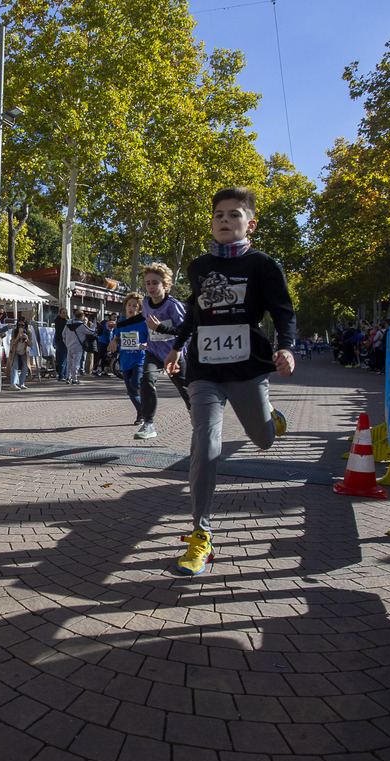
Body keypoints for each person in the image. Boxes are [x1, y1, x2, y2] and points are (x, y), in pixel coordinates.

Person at [165, 186, 296, 576]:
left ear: (249, 223)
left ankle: (270, 415)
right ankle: (201, 534)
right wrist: (177, 347)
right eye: (219, 215)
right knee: (205, 441)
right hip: (205, 370)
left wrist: (287, 347)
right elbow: (194, 313)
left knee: (263, 439)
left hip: (248, 367)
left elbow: (283, 310)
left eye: (233, 215)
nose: (225, 221)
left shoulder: (263, 265)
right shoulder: (198, 266)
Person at [115, 263, 190, 439]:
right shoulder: (146, 303)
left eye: (155, 283)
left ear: (165, 285)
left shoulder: (173, 305)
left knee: (186, 390)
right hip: (154, 352)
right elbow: (142, 317)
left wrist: (161, 328)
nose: (150, 287)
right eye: (148, 283)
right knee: (146, 380)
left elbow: (185, 330)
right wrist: (119, 324)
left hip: (174, 353)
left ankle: (197, 416)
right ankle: (148, 423)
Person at [110, 292, 148, 424]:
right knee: (131, 391)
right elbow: (116, 337)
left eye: (135, 306)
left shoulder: (143, 322)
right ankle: (140, 414)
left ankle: (147, 401)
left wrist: (145, 344)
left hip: (139, 359)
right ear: (125, 306)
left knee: (135, 384)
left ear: (140, 308)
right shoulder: (121, 322)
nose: (131, 308)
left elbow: (151, 339)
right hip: (125, 360)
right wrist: (114, 341)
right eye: (129, 305)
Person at [63, 309, 93, 385]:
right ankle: (74, 379)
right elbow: (91, 331)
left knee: (69, 362)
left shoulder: (68, 322)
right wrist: (93, 325)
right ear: (82, 316)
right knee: (76, 363)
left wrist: (66, 343)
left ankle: (67, 377)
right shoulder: (81, 325)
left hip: (69, 346)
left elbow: (63, 334)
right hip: (78, 346)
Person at [9, 318, 32, 390]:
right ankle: (13, 383)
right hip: (15, 351)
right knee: (14, 366)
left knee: (25, 366)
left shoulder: (28, 331)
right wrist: (17, 338)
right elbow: (12, 343)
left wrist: (27, 339)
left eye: (22, 325)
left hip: (24, 351)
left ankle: (21, 383)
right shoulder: (14, 331)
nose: (21, 327)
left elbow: (31, 344)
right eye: (19, 325)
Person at [53, 306, 70, 381]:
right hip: (61, 341)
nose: (65, 314)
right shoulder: (59, 321)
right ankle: (61, 375)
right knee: (62, 358)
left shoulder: (66, 320)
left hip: (66, 341)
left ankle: (65, 374)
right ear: (59, 313)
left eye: (66, 313)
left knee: (65, 358)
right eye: (63, 313)